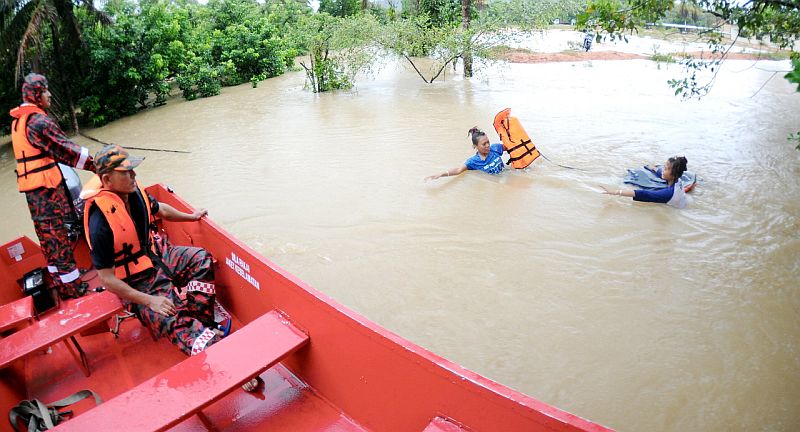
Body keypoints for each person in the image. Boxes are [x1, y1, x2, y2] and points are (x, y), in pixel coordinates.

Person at [9, 73, 95, 299]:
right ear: (37, 94)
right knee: (58, 239)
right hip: (47, 193)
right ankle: (74, 288)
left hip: (34, 195)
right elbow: (67, 150)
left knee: (48, 240)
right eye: (46, 91)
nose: (49, 95)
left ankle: (60, 282)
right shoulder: (38, 122)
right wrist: (98, 165)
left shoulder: (19, 122)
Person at [600, 156, 689, 209]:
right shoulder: (678, 179)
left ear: (673, 174)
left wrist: (615, 192)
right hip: (681, 200)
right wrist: (653, 168)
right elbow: (661, 173)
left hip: (674, 210)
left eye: (665, 169)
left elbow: (644, 194)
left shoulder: (667, 193)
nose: (662, 170)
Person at [425, 127, 507, 180]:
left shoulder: (495, 148)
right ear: (475, 146)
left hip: (506, 174)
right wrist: (440, 174)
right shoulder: (473, 161)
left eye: (488, 142)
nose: (488, 145)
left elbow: (513, 147)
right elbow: (458, 170)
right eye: (484, 144)